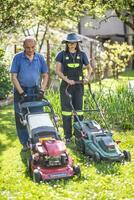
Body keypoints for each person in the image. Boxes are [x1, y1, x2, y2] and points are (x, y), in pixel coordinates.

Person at [10, 36, 48, 151]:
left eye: (32, 47)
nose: (30, 50)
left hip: (36, 90)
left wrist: (42, 90)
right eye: (28, 48)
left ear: (35, 46)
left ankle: (38, 139)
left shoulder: (40, 58)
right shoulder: (17, 58)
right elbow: (13, 77)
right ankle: (25, 143)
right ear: (23, 47)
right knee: (21, 117)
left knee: (38, 115)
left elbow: (45, 75)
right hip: (20, 90)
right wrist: (21, 93)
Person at [55, 33, 92, 144]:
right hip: (66, 86)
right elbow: (58, 71)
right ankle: (67, 137)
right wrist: (67, 80)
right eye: (69, 43)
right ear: (66, 43)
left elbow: (90, 69)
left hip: (79, 86)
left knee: (78, 111)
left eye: (73, 43)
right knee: (66, 112)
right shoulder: (61, 55)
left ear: (77, 43)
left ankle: (78, 135)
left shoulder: (82, 55)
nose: (71, 45)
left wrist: (87, 78)